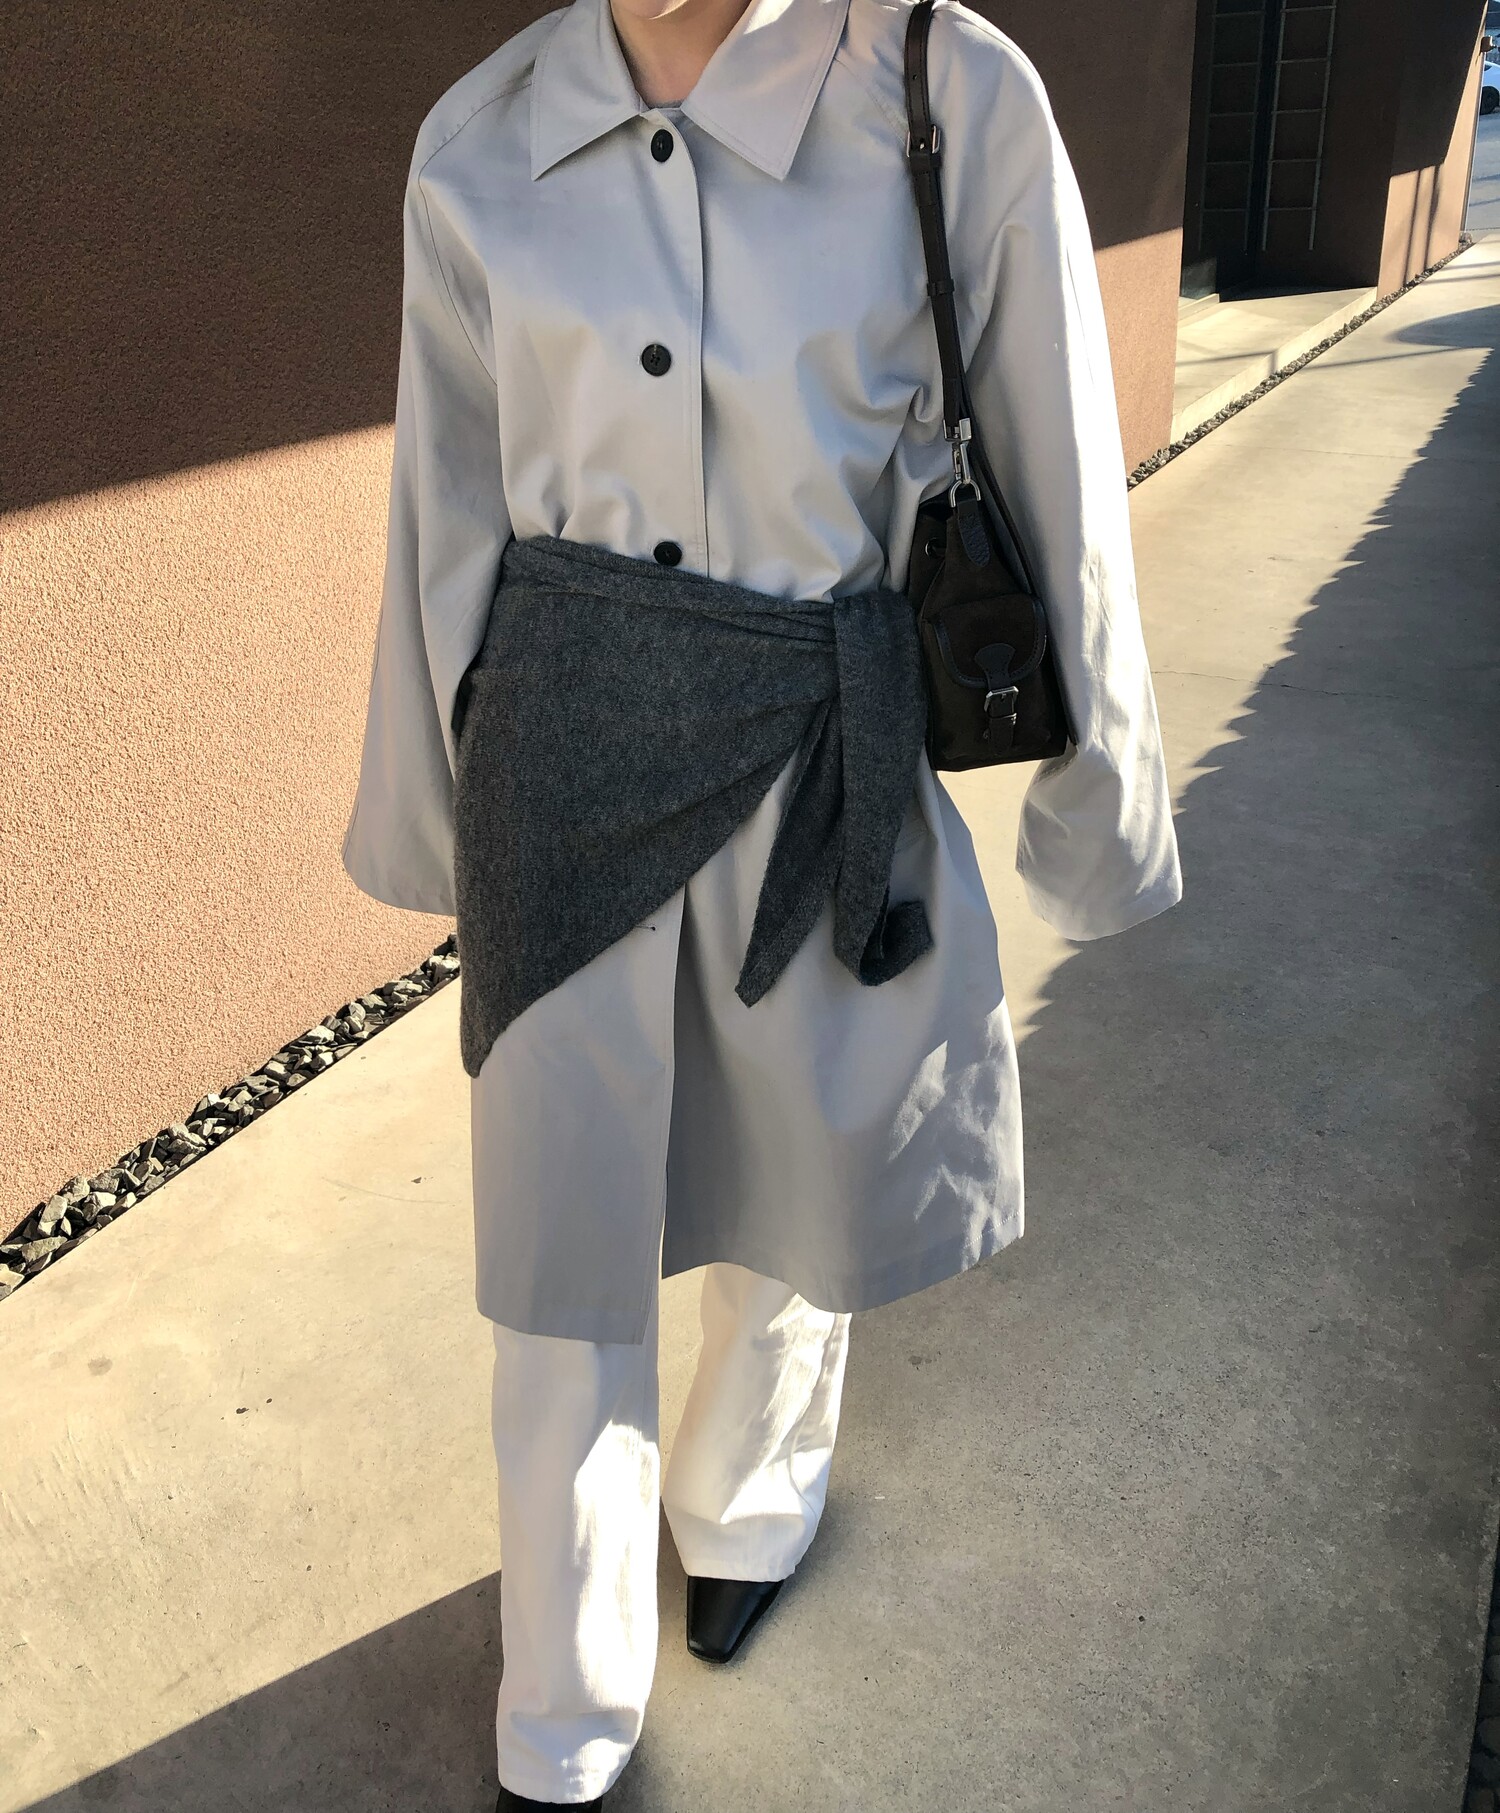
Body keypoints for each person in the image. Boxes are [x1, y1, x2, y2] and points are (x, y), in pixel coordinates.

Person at [339, 0, 1183, 1801]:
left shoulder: (946, 91)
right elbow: (444, 510)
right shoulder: (479, 143)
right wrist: (429, 813)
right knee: (561, 1246)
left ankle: (749, 1500)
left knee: (799, 1175)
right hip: (566, 761)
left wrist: (1099, 792)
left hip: (822, 733)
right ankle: (563, 1709)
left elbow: (1057, 454)